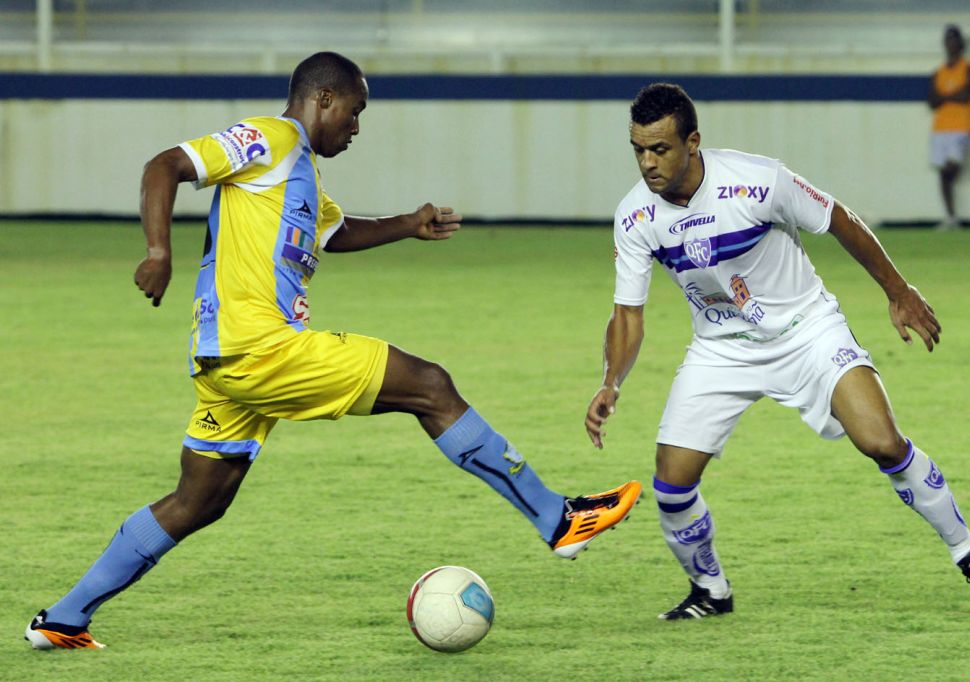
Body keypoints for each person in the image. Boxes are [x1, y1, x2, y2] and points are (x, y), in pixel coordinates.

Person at [25, 52, 641, 650]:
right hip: (260, 348)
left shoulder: (299, 173)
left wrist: (407, 223)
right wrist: (160, 251)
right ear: (322, 98)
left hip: (229, 362)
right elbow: (165, 166)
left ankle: (64, 617)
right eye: (354, 111)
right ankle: (557, 518)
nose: (356, 127)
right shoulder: (267, 139)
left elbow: (335, 232)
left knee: (199, 500)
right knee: (430, 385)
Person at [584, 82, 970, 621]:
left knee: (881, 441)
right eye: (638, 150)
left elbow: (839, 219)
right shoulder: (634, 217)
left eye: (660, 149)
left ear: (693, 142)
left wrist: (898, 291)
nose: (647, 162)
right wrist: (611, 381)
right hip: (722, 350)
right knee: (672, 483)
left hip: (809, 332)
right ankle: (710, 590)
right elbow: (628, 313)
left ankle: (968, 550)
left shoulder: (757, 180)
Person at [927, 24, 970, 230]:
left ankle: (952, 216)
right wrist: (952, 96)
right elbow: (932, 101)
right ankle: (951, 218)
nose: (951, 45)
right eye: (948, 40)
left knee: (952, 168)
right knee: (942, 173)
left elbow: (966, 95)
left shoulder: (969, 68)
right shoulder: (938, 72)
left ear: (960, 44)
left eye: (954, 40)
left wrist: (944, 97)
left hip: (961, 127)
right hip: (940, 128)